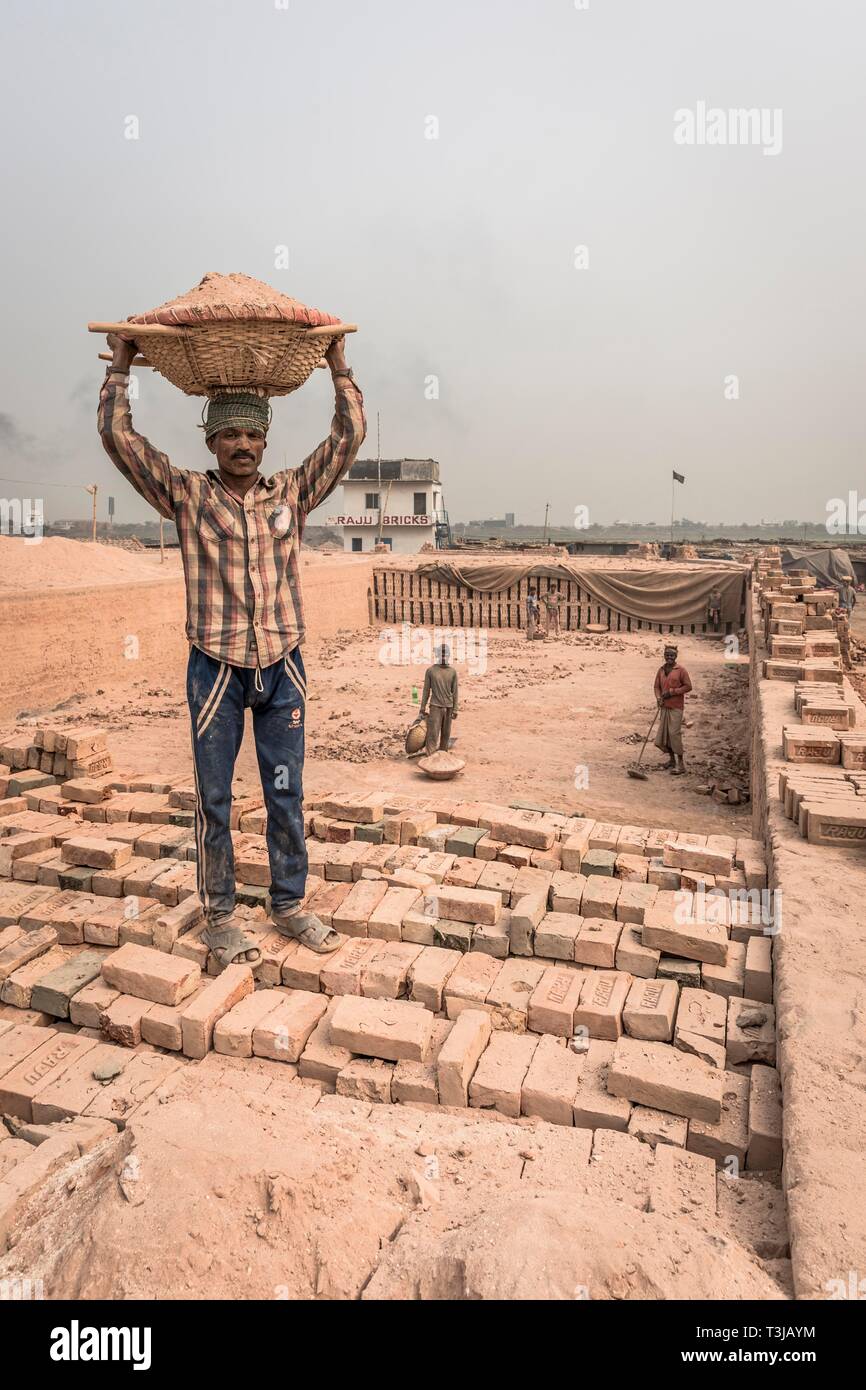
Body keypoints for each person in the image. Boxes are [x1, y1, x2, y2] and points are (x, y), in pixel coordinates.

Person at [98, 330, 365, 968]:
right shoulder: (187, 495)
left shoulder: (292, 493)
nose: (242, 445)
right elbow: (120, 443)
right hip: (215, 668)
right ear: (211, 441)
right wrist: (123, 370)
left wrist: (338, 368)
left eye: (252, 435)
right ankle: (220, 914)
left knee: (285, 790)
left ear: (266, 440)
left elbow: (346, 439)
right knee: (214, 797)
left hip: (283, 667)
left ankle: (289, 905)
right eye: (229, 436)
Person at [653, 643, 693, 775]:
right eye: (667, 655)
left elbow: (688, 687)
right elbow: (656, 687)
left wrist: (672, 692)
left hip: (676, 707)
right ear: (664, 655)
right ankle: (672, 761)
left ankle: (681, 765)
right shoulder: (661, 670)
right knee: (664, 735)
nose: (669, 657)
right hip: (664, 706)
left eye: (672, 655)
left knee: (674, 734)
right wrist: (658, 698)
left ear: (676, 656)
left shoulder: (681, 670)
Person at [420, 644, 458, 754]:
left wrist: (455, 708)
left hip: (449, 707)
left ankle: (443, 758)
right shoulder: (431, 671)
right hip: (435, 706)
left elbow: (455, 692)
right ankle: (430, 758)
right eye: (441, 654)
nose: (443, 656)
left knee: (446, 735)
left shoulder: (452, 672)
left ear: (449, 655)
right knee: (433, 734)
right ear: (437, 655)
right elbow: (426, 691)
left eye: (445, 654)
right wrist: (422, 707)